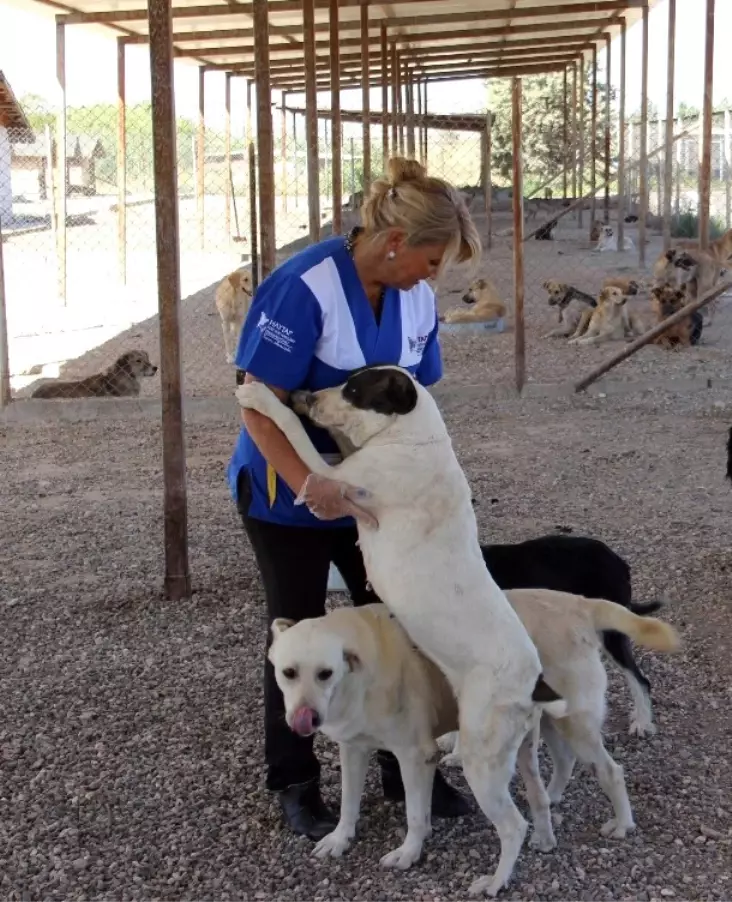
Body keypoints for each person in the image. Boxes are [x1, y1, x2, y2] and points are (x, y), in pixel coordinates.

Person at [226, 156, 480, 840]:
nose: (434, 277)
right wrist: (312, 483)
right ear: (396, 243)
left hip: (374, 492)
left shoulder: (416, 298)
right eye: (431, 261)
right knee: (299, 627)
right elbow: (257, 406)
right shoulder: (302, 287)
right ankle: (296, 780)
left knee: (396, 625)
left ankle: (408, 767)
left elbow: (417, 395)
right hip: (287, 493)